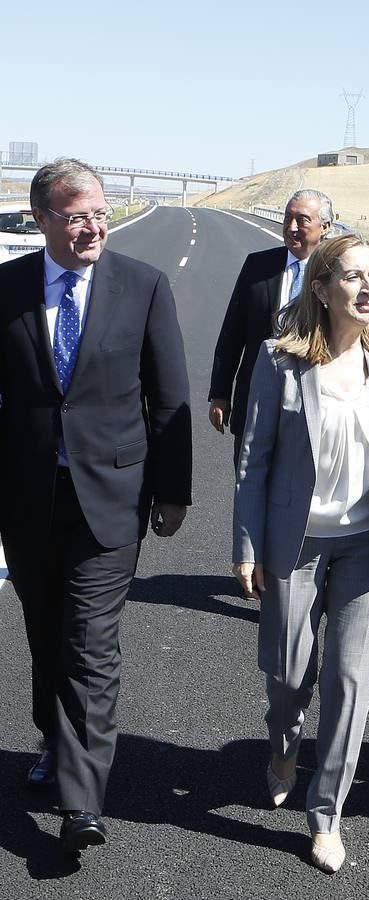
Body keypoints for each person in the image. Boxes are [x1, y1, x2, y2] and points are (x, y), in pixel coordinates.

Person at [0, 158, 192, 852]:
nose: (93, 227)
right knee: (46, 632)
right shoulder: (9, 288)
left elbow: (168, 397)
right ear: (42, 219)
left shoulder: (142, 286)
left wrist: (173, 491)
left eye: (101, 213)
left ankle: (82, 799)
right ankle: (53, 738)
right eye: (76, 215)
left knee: (90, 640)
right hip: (25, 497)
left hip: (110, 497)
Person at [232, 234, 369, 873]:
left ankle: (328, 815)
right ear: (321, 289)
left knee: (351, 683)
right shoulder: (279, 360)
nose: (368, 288)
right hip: (295, 543)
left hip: (365, 546)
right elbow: (253, 460)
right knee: (290, 673)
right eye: (352, 277)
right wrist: (246, 544)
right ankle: (284, 743)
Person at [208, 189, 333, 466]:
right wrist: (220, 393)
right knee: (248, 482)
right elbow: (233, 332)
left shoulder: (336, 274)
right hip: (255, 400)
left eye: (302, 220)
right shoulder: (258, 266)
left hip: (315, 403)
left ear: (325, 227)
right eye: (288, 218)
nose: (291, 227)